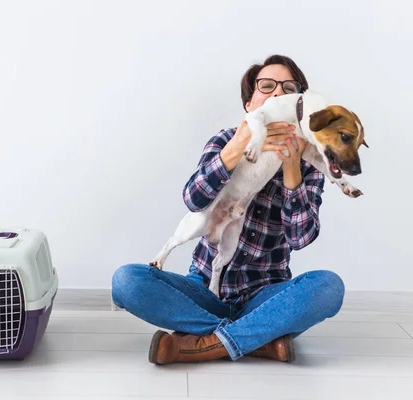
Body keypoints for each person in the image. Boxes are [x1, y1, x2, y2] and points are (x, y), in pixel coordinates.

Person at [111, 54, 345, 365]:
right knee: (126, 280)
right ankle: (257, 340)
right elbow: (193, 200)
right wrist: (235, 148)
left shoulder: (309, 159)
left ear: (298, 102)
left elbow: (301, 238)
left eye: (288, 88)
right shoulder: (225, 140)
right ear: (250, 104)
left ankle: (203, 341)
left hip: (266, 296)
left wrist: (292, 168)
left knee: (328, 287)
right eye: (266, 86)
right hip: (203, 288)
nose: (277, 93)